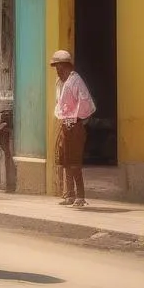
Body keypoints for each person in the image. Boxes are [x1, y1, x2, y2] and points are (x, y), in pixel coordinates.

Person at [51, 50, 96, 207]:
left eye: (59, 66)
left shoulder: (76, 81)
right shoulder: (60, 83)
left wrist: (77, 119)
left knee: (75, 161)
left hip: (75, 125)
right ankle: (69, 195)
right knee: (65, 160)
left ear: (66, 66)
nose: (57, 70)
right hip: (65, 124)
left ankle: (80, 196)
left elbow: (85, 102)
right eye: (56, 66)